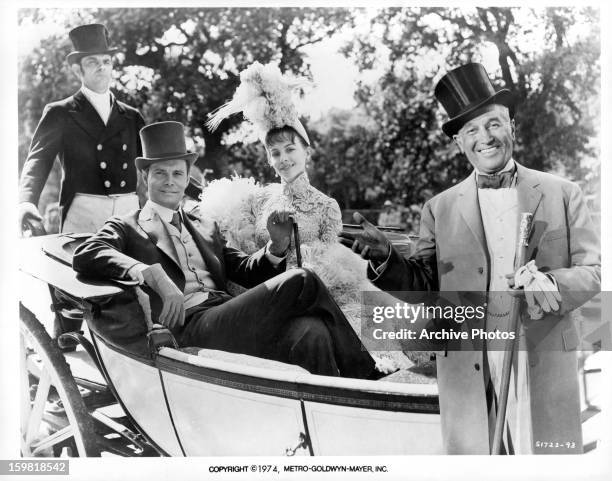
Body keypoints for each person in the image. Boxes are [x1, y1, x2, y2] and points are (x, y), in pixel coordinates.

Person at [339, 63, 600, 454]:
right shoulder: (438, 209)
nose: (486, 138)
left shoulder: (563, 193)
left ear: (511, 126)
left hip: (542, 360)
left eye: (493, 124)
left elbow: (593, 273)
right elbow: (425, 289)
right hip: (469, 368)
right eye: (472, 130)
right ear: (459, 142)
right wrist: (388, 261)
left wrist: (551, 283)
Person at [72, 121, 381, 380]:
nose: (170, 182)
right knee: (303, 278)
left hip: (228, 316)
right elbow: (87, 252)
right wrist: (149, 273)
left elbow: (245, 271)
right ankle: (369, 378)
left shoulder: (206, 225)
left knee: (311, 331)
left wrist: (275, 246)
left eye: (177, 174)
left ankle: (334, 421)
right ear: (145, 177)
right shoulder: (126, 225)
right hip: (189, 326)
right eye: (160, 173)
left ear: (187, 177)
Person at [204, 62, 411, 373]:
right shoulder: (260, 199)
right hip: (277, 296)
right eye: (275, 154)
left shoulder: (327, 205)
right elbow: (248, 257)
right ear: (269, 160)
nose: (284, 159)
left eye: (290, 150)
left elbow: (337, 266)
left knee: (357, 323)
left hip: (328, 294)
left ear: (306, 152)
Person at [18, 23, 145, 234]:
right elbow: (38, 160)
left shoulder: (131, 116)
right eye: (92, 62)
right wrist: (26, 201)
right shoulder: (60, 112)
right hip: (83, 214)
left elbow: (158, 161)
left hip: (128, 212)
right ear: (78, 69)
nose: (101, 67)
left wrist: (202, 195)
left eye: (106, 61)